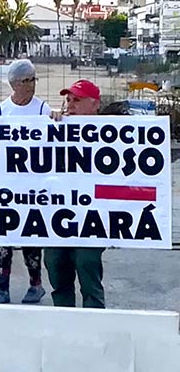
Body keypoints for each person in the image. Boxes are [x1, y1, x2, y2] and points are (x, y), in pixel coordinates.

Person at [0, 59, 50, 304]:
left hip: (33, 185)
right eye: (26, 80)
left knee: (31, 237)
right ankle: (2, 288)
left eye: (33, 79)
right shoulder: (2, 112)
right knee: (3, 239)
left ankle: (36, 284)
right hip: (8, 186)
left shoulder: (42, 109)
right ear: (14, 84)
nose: (31, 85)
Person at [44, 79, 106, 308]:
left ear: (95, 105)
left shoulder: (111, 134)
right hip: (58, 214)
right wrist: (48, 127)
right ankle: (64, 323)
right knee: (55, 265)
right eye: (68, 100)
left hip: (91, 217)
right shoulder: (57, 128)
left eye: (77, 100)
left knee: (87, 266)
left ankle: (95, 324)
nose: (70, 105)